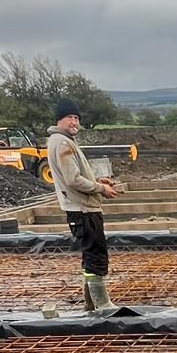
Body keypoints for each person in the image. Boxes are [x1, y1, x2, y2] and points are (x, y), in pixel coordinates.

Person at [46, 97, 117, 312]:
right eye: (70, 117)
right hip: (83, 208)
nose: (74, 122)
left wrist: (97, 181)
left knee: (90, 254)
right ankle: (101, 304)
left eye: (77, 118)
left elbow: (75, 176)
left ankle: (92, 304)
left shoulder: (63, 141)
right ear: (60, 119)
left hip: (82, 207)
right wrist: (100, 189)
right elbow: (73, 179)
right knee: (95, 254)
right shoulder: (62, 143)